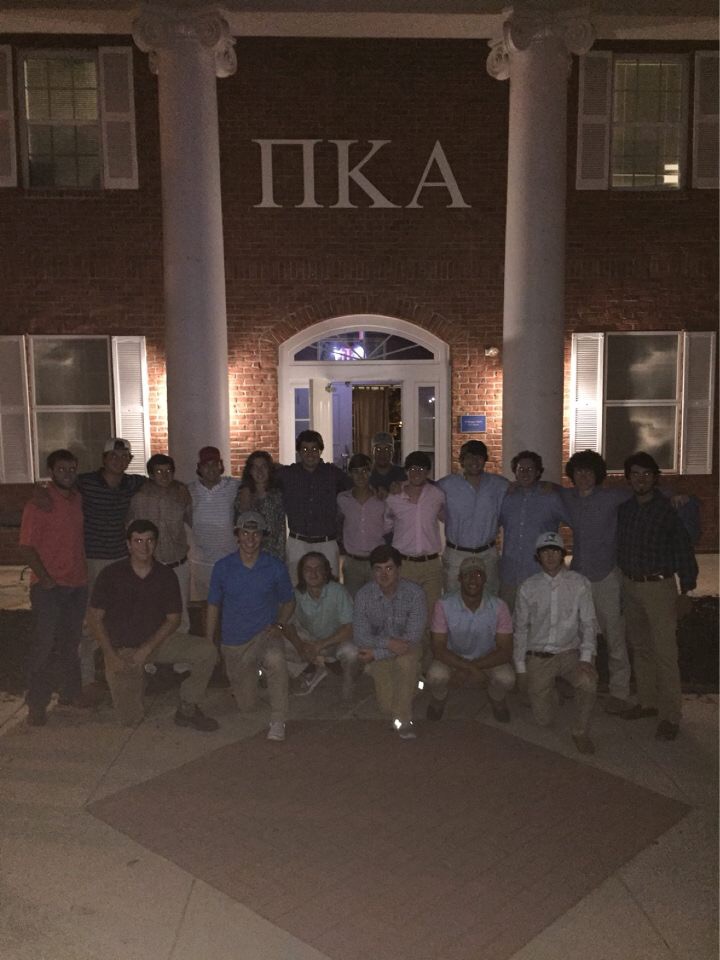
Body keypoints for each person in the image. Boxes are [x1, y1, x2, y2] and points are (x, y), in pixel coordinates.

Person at [87, 520, 218, 731]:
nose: (144, 546)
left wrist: (147, 649)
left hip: (158, 642)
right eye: (138, 541)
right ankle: (138, 678)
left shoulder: (165, 575)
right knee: (130, 720)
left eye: (149, 540)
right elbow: (94, 617)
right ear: (128, 545)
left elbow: (174, 618)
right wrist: (110, 655)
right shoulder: (111, 575)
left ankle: (187, 706)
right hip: (123, 649)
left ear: (155, 543)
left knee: (207, 651)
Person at [617, 452, 698, 742]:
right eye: (635, 474)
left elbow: (683, 549)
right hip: (631, 585)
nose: (641, 479)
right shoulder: (625, 510)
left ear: (655, 478)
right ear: (628, 478)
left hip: (660, 587)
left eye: (646, 474)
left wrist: (687, 589)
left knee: (665, 653)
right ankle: (648, 702)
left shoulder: (668, 510)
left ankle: (670, 715)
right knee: (641, 648)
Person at [206, 510, 295, 742]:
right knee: (247, 706)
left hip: (264, 635)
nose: (250, 539)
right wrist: (209, 642)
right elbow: (213, 605)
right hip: (234, 641)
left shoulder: (275, 566)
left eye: (256, 534)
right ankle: (252, 675)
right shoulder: (223, 567)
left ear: (262, 537)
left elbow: (289, 601)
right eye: (245, 533)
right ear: (237, 535)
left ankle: (278, 719)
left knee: (276, 660)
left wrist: (280, 624)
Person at [560, 449, 634, 714]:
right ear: (572, 475)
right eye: (579, 471)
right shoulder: (568, 497)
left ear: (598, 474)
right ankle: (583, 684)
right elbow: (547, 490)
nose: (583, 476)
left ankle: (619, 692)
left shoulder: (612, 497)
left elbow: (646, 493)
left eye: (589, 471)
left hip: (606, 576)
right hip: (579, 576)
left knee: (614, 636)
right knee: (580, 636)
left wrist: (677, 496)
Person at [19, 449, 88, 725]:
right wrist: (45, 578)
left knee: (71, 643)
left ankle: (69, 693)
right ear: (51, 472)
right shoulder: (38, 504)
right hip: (50, 587)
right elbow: (25, 547)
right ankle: (36, 703)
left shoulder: (77, 499)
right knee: (44, 646)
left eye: (72, 469)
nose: (68, 474)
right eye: (62, 469)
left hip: (77, 584)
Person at [513, 531, 598, 755]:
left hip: (570, 653)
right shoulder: (528, 587)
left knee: (588, 682)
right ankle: (550, 691)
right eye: (544, 552)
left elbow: (588, 622)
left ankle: (580, 731)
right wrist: (521, 668)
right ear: (538, 556)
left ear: (562, 555)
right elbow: (520, 629)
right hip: (539, 656)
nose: (550, 556)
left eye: (555, 551)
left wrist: (586, 657)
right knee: (543, 720)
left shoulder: (579, 583)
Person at [77, 437, 146, 691]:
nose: (119, 460)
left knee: (119, 616)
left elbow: (159, 482)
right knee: (91, 618)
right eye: (113, 456)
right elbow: (56, 489)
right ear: (104, 459)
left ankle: (117, 669)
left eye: (124, 456)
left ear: (129, 460)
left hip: (119, 559)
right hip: (93, 558)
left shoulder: (132, 483)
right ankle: (87, 678)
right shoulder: (85, 482)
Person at [427, 556, 515, 723]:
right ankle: (439, 698)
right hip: (452, 658)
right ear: (459, 578)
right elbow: (438, 648)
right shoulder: (443, 604)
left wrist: (472, 668)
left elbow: (505, 652)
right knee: (435, 676)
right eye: (467, 575)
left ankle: (496, 698)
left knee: (507, 678)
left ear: (485, 579)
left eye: (478, 575)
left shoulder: (499, 606)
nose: (473, 580)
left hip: (487, 659)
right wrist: (467, 668)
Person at [351, 545, 427, 739]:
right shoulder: (363, 596)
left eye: (389, 568)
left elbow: (413, 637)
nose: (383, 574)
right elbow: (360, 636)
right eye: (378, 568)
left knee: (405, 662)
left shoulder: (415, 593)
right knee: (386, 707)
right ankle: (416, 683)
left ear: (399, 569)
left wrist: (377, 653)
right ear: (372, 571)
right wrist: (388, 644)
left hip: (408, 649)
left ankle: (404, 721)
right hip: (382, 647)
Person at [384, 450, 445, 663]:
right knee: (405, 615)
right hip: (405, 565)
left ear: (428, 472)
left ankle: (427, 664)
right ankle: (407, 661)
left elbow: (447, 516)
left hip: (431, 566)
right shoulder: (394, 498)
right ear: (406, 471)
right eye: (412, 469)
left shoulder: (437, 495)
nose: (416, 473)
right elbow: (386, 526)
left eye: (421, 469)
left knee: (430, 617)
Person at [127, 453, 192, 631]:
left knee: (181, 614)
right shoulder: (138, 498)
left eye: (168, 471)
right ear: (151, 474)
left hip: (178, 564)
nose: (164, 475)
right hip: (150, 565)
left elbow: (192, 522)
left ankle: (181, 656)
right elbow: (128, 526)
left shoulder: (182, 496)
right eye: (159, 471)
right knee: (150, 612)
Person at [276, 430, 352, 585]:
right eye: (305, 449)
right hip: (297, 542)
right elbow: (261, 477)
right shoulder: (288, 474)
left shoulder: (333, 474)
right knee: (296, 588)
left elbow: (356, 487)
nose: (310, 454)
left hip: (327, 543)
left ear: (320, 451)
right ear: (298, 452)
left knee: (331, 588)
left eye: (314, 449)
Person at [498, 450, 568, 611]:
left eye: (530, 469)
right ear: (515, 472)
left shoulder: (551, 498)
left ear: (538, 472)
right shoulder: (506, 498)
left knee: (539, 623)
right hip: (510, 572)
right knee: (509, 622)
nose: (525, 473)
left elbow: (574, 523)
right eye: (521, 469)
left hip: (539, 573)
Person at [437, 440, 508, 596]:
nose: (474, 461)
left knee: (490, 600)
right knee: (453, 599)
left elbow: (513, 501)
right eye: (469, 457)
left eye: (479, 457)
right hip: (456, 555)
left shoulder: (499, 485)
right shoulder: (446, 484)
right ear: (461, 460)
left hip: (487, 554)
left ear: (485, 459)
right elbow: (426, 496)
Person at [283, 551, 356, 699]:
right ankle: (312, 668)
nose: (313, 573)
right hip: (311, 642)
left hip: (335, 642)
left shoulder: (338, 591)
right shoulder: (297, 594)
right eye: (308, 569)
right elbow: (288, 624)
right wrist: (299, 646)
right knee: (277, 642)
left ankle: (348, 678)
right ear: (301, 573)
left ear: (326, 571)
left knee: (351, 651)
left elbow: (350, 628)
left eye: (318, 568)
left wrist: (320, 645)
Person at [187, 445, 240, 603]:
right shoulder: (188, 490)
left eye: (214, 464)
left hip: (229, 559)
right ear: (199, 468)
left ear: (221, 465)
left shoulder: (234, 486)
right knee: (205, 606)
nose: (210, 469)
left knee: (231, 604)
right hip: (200, 562)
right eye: (206, 464)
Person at [337, 452, 386, 597]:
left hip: (377, 561)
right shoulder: (342, 499)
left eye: (365, 471)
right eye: (356, 472)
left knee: (378, 604)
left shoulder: (382, 500)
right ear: (350, 474)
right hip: (352, 562)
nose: (360, 476)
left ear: (370, 473)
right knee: (353, 605)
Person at [234, 450, 286, 561]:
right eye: (255, 467)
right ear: (250, 471)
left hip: (275, 554)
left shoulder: (278, 495)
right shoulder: (243, 495)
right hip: (250, 554)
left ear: (269, 469)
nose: (260, 471)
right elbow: (239, 525)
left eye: (264, 466)